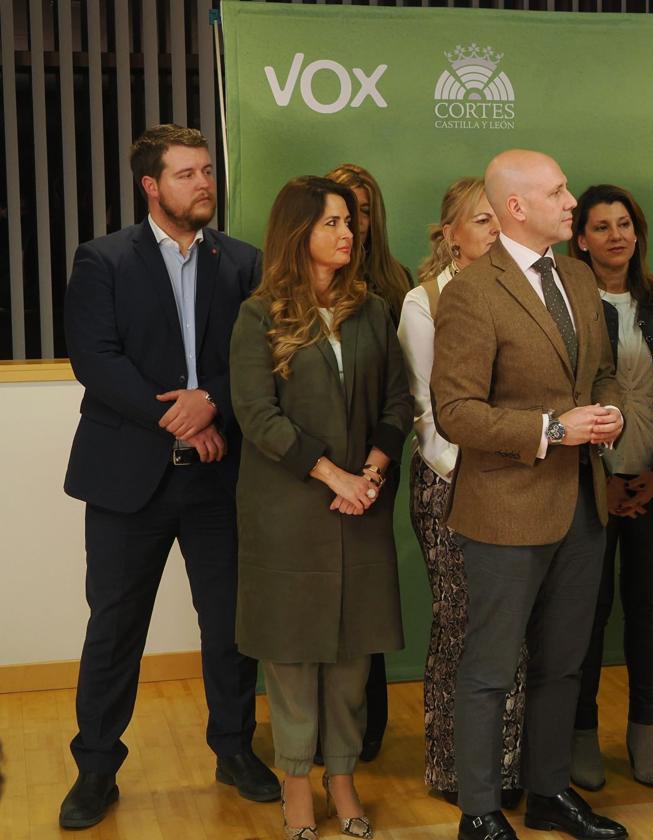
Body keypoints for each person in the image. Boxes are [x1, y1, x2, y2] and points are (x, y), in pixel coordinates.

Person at [59, 124, 277, 830]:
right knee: (115, 629)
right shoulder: (104, 260)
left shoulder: (243, 263)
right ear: (151, 186)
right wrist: (179, 418)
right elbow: (96, 359)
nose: (204, 183)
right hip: (129, 480)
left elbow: (262, 357)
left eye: (208, 170)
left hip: (219, 479)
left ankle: (235, 751)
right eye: (186, 174)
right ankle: (95, 768)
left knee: (230, 629)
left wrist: (209, 399)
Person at [431, 149, 628, 840]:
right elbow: (456, 411)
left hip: (582, 503)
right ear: (517, 206)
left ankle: (548, 794)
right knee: (489, 669)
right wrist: (551, 428)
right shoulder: (470, 292)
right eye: (558, 191)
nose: (571, 200)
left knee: (565, 663)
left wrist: (609, 414)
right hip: (506, 508)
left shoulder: (576, 277)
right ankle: (480, 813)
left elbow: (599, 374)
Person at [229, 176, 413, 839]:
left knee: (350, 657)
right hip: (290, 513)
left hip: (359, 507)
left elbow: (398, 401)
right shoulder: (259, 314)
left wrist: (371, 471)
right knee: (294, 653)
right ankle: (297, 784)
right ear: (296, 232)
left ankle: (343, 777)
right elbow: (257, 414)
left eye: (350, 223)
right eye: (332, 222)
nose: (347, 233)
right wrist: (333, 475)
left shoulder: (371, 311)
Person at [398, 177, 528, 807]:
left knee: (514, 628)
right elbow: (429, 414)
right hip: (452, 482)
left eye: (501, 219)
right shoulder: (424, 302)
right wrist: (483, 467)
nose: (495, 232)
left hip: (522, 481)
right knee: (462, 625)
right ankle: (456, 770)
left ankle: (510, 766)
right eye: (481, 221)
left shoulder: (528, 290)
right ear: (449, 234)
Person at [566, 184, 653, 791]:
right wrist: (603, 479)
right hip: (591, 481)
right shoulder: (567, 301)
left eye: (625, 224)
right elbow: (566, 395)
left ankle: (642, 730)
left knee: (647, 606)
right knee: (588, 611)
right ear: (580, 239)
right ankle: (581, 733)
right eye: (602, 226)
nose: (617, 235)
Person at [323, 162, 413, 765]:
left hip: (377, 454)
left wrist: (374, 466)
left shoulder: (394, 282)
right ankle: (319, 729)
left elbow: (402, 389)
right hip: (316, 462)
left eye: (361, 207)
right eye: (339, 210)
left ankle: (367, 723)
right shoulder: (295, 289)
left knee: (368, 592)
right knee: (317, 590)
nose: (353, 220)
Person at [326, 163, 414, 324]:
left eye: (365, 211)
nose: (357, 221)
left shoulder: (398, 278)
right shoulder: (317, 279)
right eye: (348, 211)